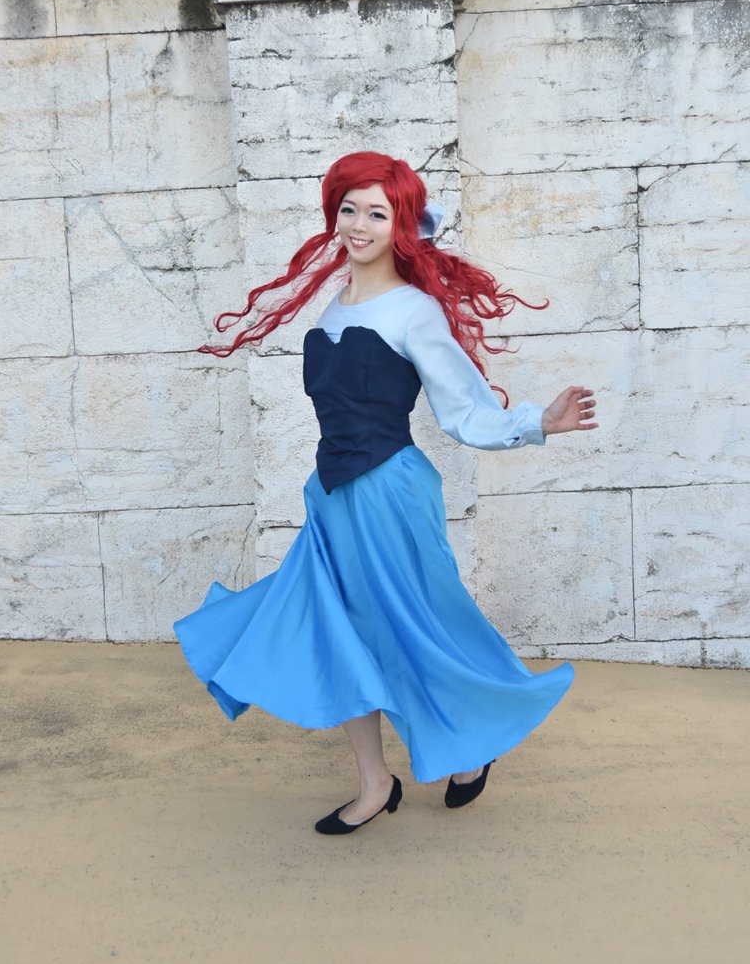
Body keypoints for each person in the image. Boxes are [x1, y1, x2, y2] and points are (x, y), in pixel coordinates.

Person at [173, 151, 597, 836]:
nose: (360, 224)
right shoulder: (330, 310)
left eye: (378, 212)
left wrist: (537, 424)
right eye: (350, 209)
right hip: (330, 498)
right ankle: (375, 784)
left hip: (391, 494)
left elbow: (462, 411)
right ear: (333, 215)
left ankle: (473, 740)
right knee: (336, 635)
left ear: (401, 224)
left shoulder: (415, 312)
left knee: (421, 628)